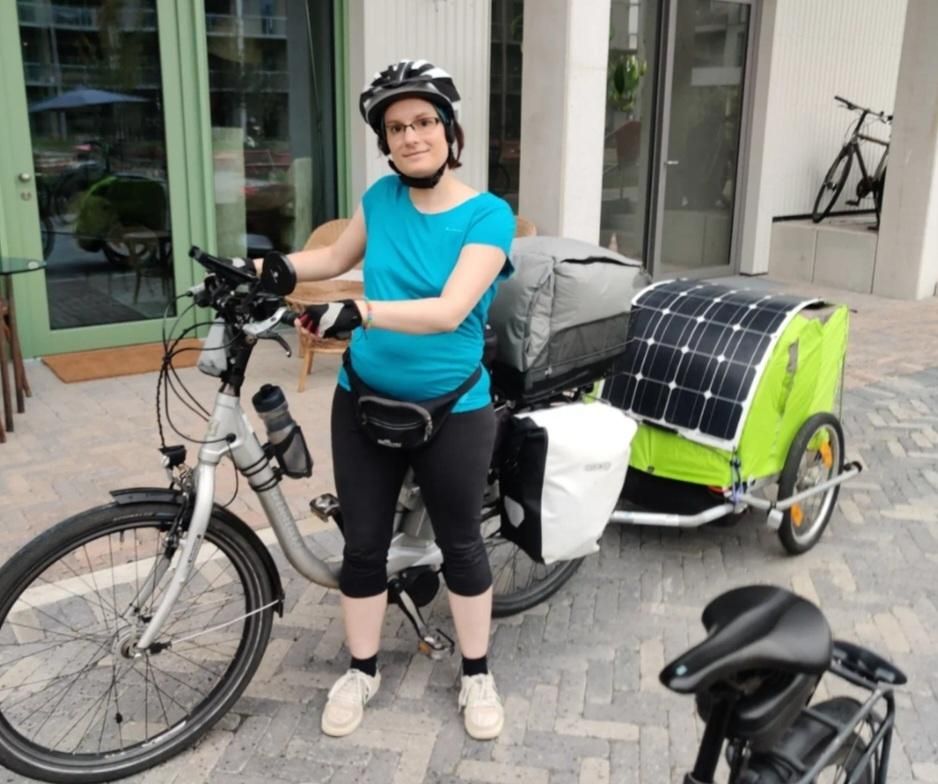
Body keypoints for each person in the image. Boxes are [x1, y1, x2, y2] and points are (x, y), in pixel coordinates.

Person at [266, 59, 515, 740]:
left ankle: (476, 673)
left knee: (462, 544)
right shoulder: (380, 199)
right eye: (396, 127)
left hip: (453, 407)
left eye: (424, 122)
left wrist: (360, 313)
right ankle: (362, 668)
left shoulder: (488, 214)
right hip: (364, 398)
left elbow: (450, 309)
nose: (411, 136)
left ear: (449, 130)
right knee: (364, 546)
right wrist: (269, 268)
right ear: (385, 141)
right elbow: (335, 259)